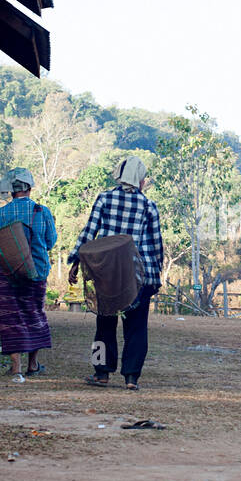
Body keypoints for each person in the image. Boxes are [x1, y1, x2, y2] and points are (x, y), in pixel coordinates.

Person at [68, 156, 164, 390]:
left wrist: (75, 261)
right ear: (140, 181)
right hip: (138, 276)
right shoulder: (148, 206)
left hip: (107, 273)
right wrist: (155, 276)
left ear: (120, 177)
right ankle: (132, 378)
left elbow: (89, 232)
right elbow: (155, 246)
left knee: (104, 324)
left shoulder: (104, 199)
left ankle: (101, 373)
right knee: (137, 327)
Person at [0, 167, 57, 383]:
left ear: (10, 190)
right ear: (29, 187)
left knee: (12, 318)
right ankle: (33, 364)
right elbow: (50, 241)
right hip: (36, 272)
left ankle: (15, 367)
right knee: (34, 314)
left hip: (10, 273)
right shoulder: (42, 212)